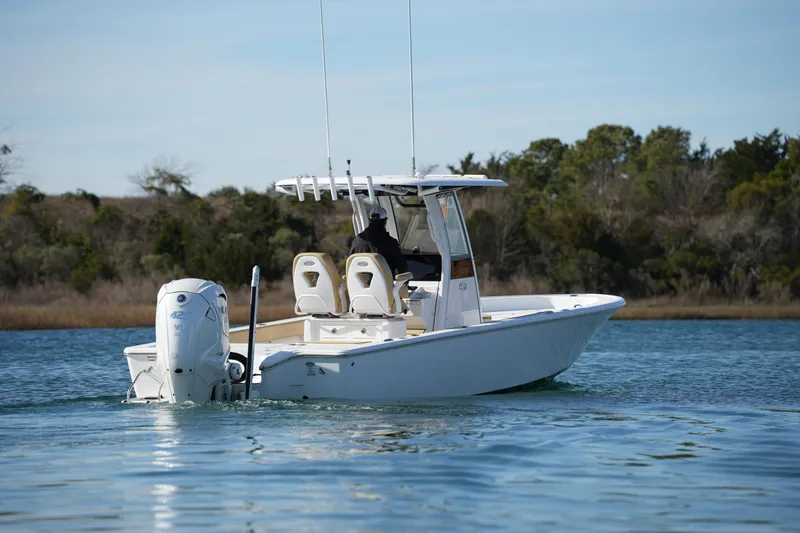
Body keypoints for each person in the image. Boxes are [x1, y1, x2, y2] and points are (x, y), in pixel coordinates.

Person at [350, 206, 409, 275]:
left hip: (358, 281)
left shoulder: (357, 240)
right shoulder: (390, 243)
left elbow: (351, 263)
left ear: (369, 220)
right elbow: (402, 267)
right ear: (385, 221)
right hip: (382, 281)